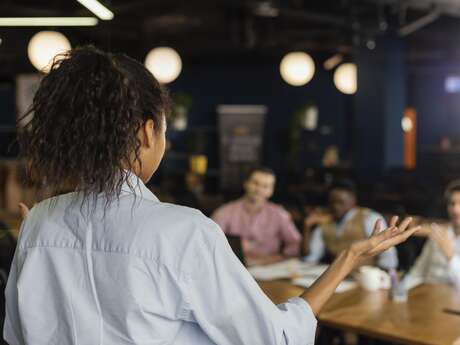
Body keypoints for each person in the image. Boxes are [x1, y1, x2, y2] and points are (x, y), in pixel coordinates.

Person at [4, 45, 419, 345]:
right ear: (146, 131)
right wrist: (347, 259)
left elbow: (18, 333)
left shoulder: (39, 222)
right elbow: (276, 339)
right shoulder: (182, 233)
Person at [303, 179, 398, 269]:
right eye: (333, 202)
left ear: (353, 200)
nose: (336, 207)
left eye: (341, 202)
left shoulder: (370, 218)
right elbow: (311, 256)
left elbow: (388, 256)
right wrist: (306, 228)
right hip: (334, 277)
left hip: (363, 277)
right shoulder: (325, 222)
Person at [212, 167, 301, 257]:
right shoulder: (224, 212)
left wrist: (282, 257)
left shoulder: (279, 214)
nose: (259, 189)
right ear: (246, 183)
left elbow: (295, 242)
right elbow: (210, 242)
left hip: (270, 266)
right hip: (234, 266)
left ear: (271, 191)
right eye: (255, 183)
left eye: (265, 186)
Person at [403, 180, 460, 288]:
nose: (455, 210)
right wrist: (402, 290)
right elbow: (419, 270)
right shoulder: (439, 233)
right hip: (426, 294)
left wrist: (451, 256)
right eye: (452, 204)